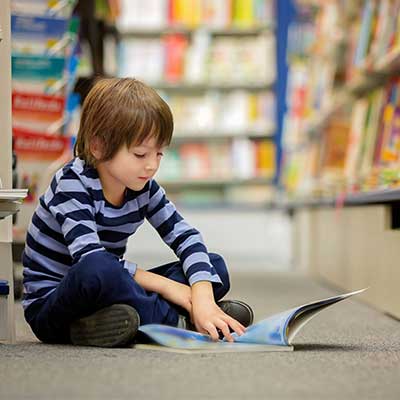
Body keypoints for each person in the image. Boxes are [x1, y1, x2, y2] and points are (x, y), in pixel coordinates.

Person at [22, 78, 254, 348]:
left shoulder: (144, 188)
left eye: (159, 154)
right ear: (98, 146)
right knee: (99, 268)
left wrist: (200, 295)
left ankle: (131, 321)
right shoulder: (71, 183)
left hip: (109, 290)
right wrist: (171, 289)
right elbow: (90, 259)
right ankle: (180, 322)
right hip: (53, 308)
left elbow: (186, 237)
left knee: (213, 266)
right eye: (140, 154)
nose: (152, 166)